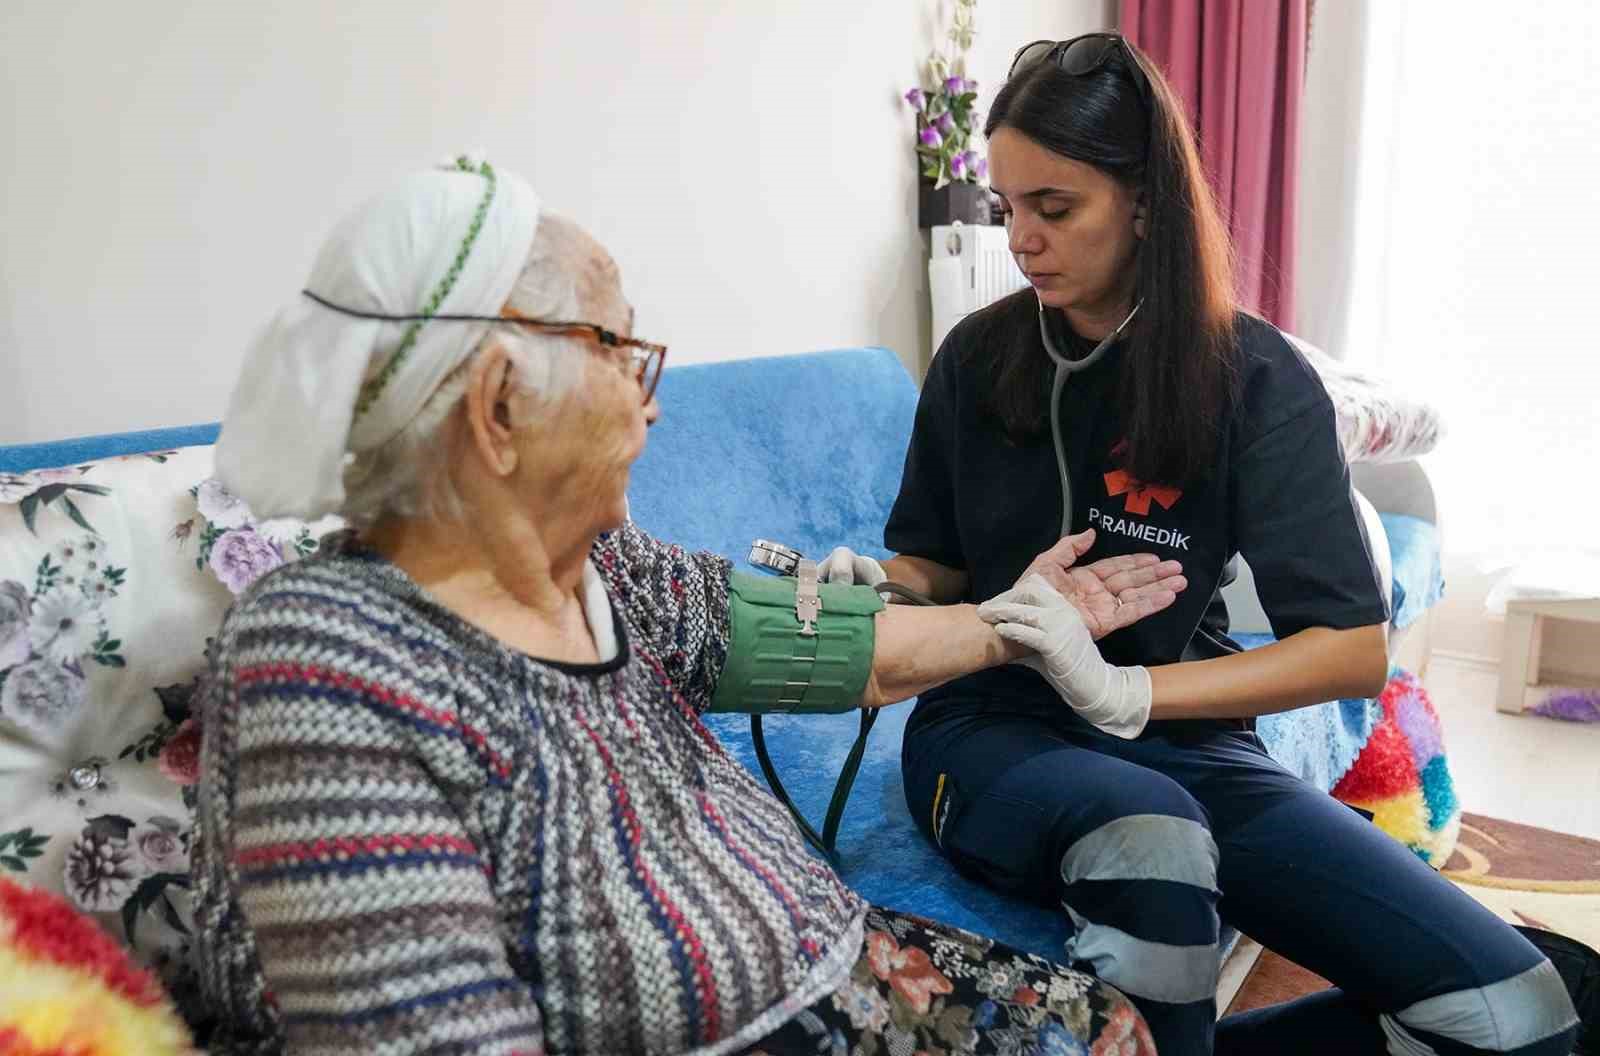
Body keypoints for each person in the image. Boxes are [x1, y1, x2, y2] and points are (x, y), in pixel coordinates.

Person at [189, 155, 1185, 1055]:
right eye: (622, 355)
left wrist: (1024, 619)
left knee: (1108, 1032)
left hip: (849, 970)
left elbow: (846, 650)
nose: (651, 401)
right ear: (498, 406)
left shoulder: (601, 568)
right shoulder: (329, 662)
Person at [817, 34, 1580, 1056]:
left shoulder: (1252, 379)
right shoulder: (977, 360)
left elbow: (1351, 648)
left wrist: (1128, 696)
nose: (1023, 241)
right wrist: (881, 588)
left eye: (1056, 208)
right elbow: (933, 568)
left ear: (1141, 202)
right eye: (1009, 209)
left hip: (1182, 733)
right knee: (1153, 838)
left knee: (1524, 1013)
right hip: (989, 731)